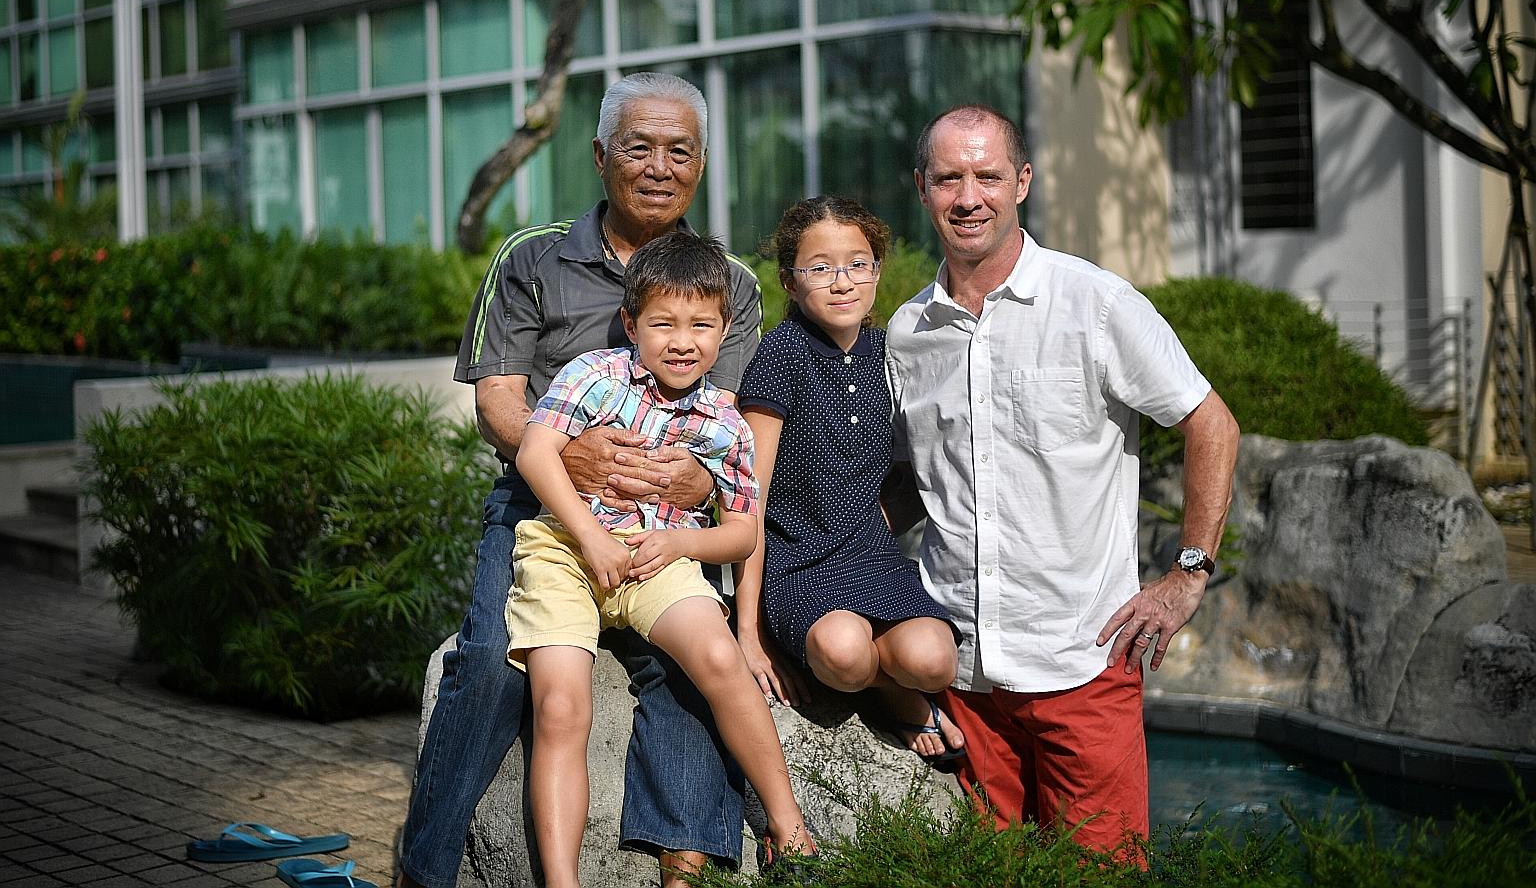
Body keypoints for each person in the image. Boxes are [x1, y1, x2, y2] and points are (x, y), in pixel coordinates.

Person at [398, 73, 763, 888]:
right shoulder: (532, 256)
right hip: (542, 513)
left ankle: (685, 855)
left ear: (701, 166)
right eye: (639, 147)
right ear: (601, 156)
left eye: (680, 151)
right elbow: (498, 401)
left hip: (662, 523)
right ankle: (422, 872)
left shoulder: (730, 279)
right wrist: (567, 455)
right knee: (491, 660)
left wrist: (692, 480)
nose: (659, 167)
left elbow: (722, 427)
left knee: (692, 658)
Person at [884, 105, 1241, 859]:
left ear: (1023, 182)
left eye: (987, 175)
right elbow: (922, 479)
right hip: (962, 677)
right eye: (949, 177)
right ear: (922, 188)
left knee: (1101, 877)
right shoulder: (907, 333)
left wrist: (1188, 574)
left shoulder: (1096, 304)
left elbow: (1212, 425)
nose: (968, 195)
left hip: (1083, 666)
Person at [510, 232, 816, 888]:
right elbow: (536, 452)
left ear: (724, 328)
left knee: (716, 658)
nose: (683, 341)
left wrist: (681, 543)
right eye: (663, 323)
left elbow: (741, 532)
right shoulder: (595, 375)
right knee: (562, 705)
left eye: (702, 324)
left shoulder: (723, 423)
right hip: (567, 552)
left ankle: (789, 830)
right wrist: (590, 537)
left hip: (659, 556)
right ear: (631, 323)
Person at [734, 196, 964, 764]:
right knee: (843, 652)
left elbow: (921, 464)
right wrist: (748, 630)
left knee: (935, 660)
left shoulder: (886, 352)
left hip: (869, 553)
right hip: (798, 560)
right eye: (820, 268)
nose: (842, 282)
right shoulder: (781, 355)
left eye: (858, 263)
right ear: (790, 281)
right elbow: (747, 498)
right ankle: (892, 696)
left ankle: (891, 682)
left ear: (877, 271)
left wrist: (877, 520)